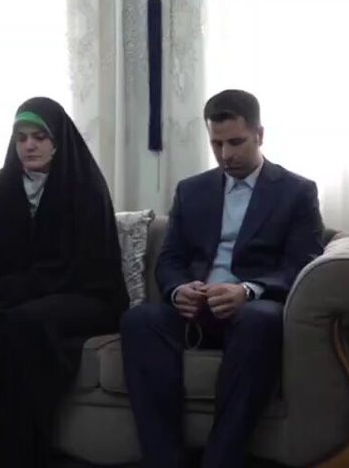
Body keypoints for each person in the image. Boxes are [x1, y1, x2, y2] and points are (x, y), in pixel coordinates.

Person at [120, 89, 325, 468]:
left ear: (259, 135)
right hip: (195, 308)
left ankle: (221, 460)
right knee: (139, 320)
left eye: (236, 142)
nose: (226, 154)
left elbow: (302, 263)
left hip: (251, 309)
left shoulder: (296, 192)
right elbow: (171, 258)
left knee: (259, 321)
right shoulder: (192, 190)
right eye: (216, 144)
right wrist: (178, 289)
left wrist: (248, 290)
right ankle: (164, 460)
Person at [0, 97, 129, 468]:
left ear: (58, 142)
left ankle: (17, 456)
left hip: (87, 295)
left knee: (22, 325)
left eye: (39, 137)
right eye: (21, 138)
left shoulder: (84, 188)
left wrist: (1, 289)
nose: (29, 146)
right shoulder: (7, 184)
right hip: (27, 294)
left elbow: (76, 271)